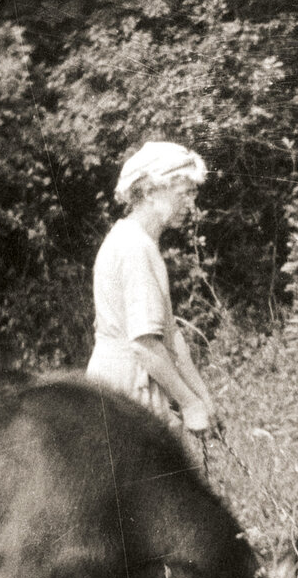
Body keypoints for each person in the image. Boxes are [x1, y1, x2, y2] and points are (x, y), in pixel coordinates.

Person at [87, 142, 217, 445]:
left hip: (132, 388)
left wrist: (203, 399)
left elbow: (171, 338)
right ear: (148, 192)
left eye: (192, 194)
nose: (191, 204)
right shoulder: (134, 248)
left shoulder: (139, 242)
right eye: (183, 193)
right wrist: (189, 404)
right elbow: (145, 345)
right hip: (124, 393)